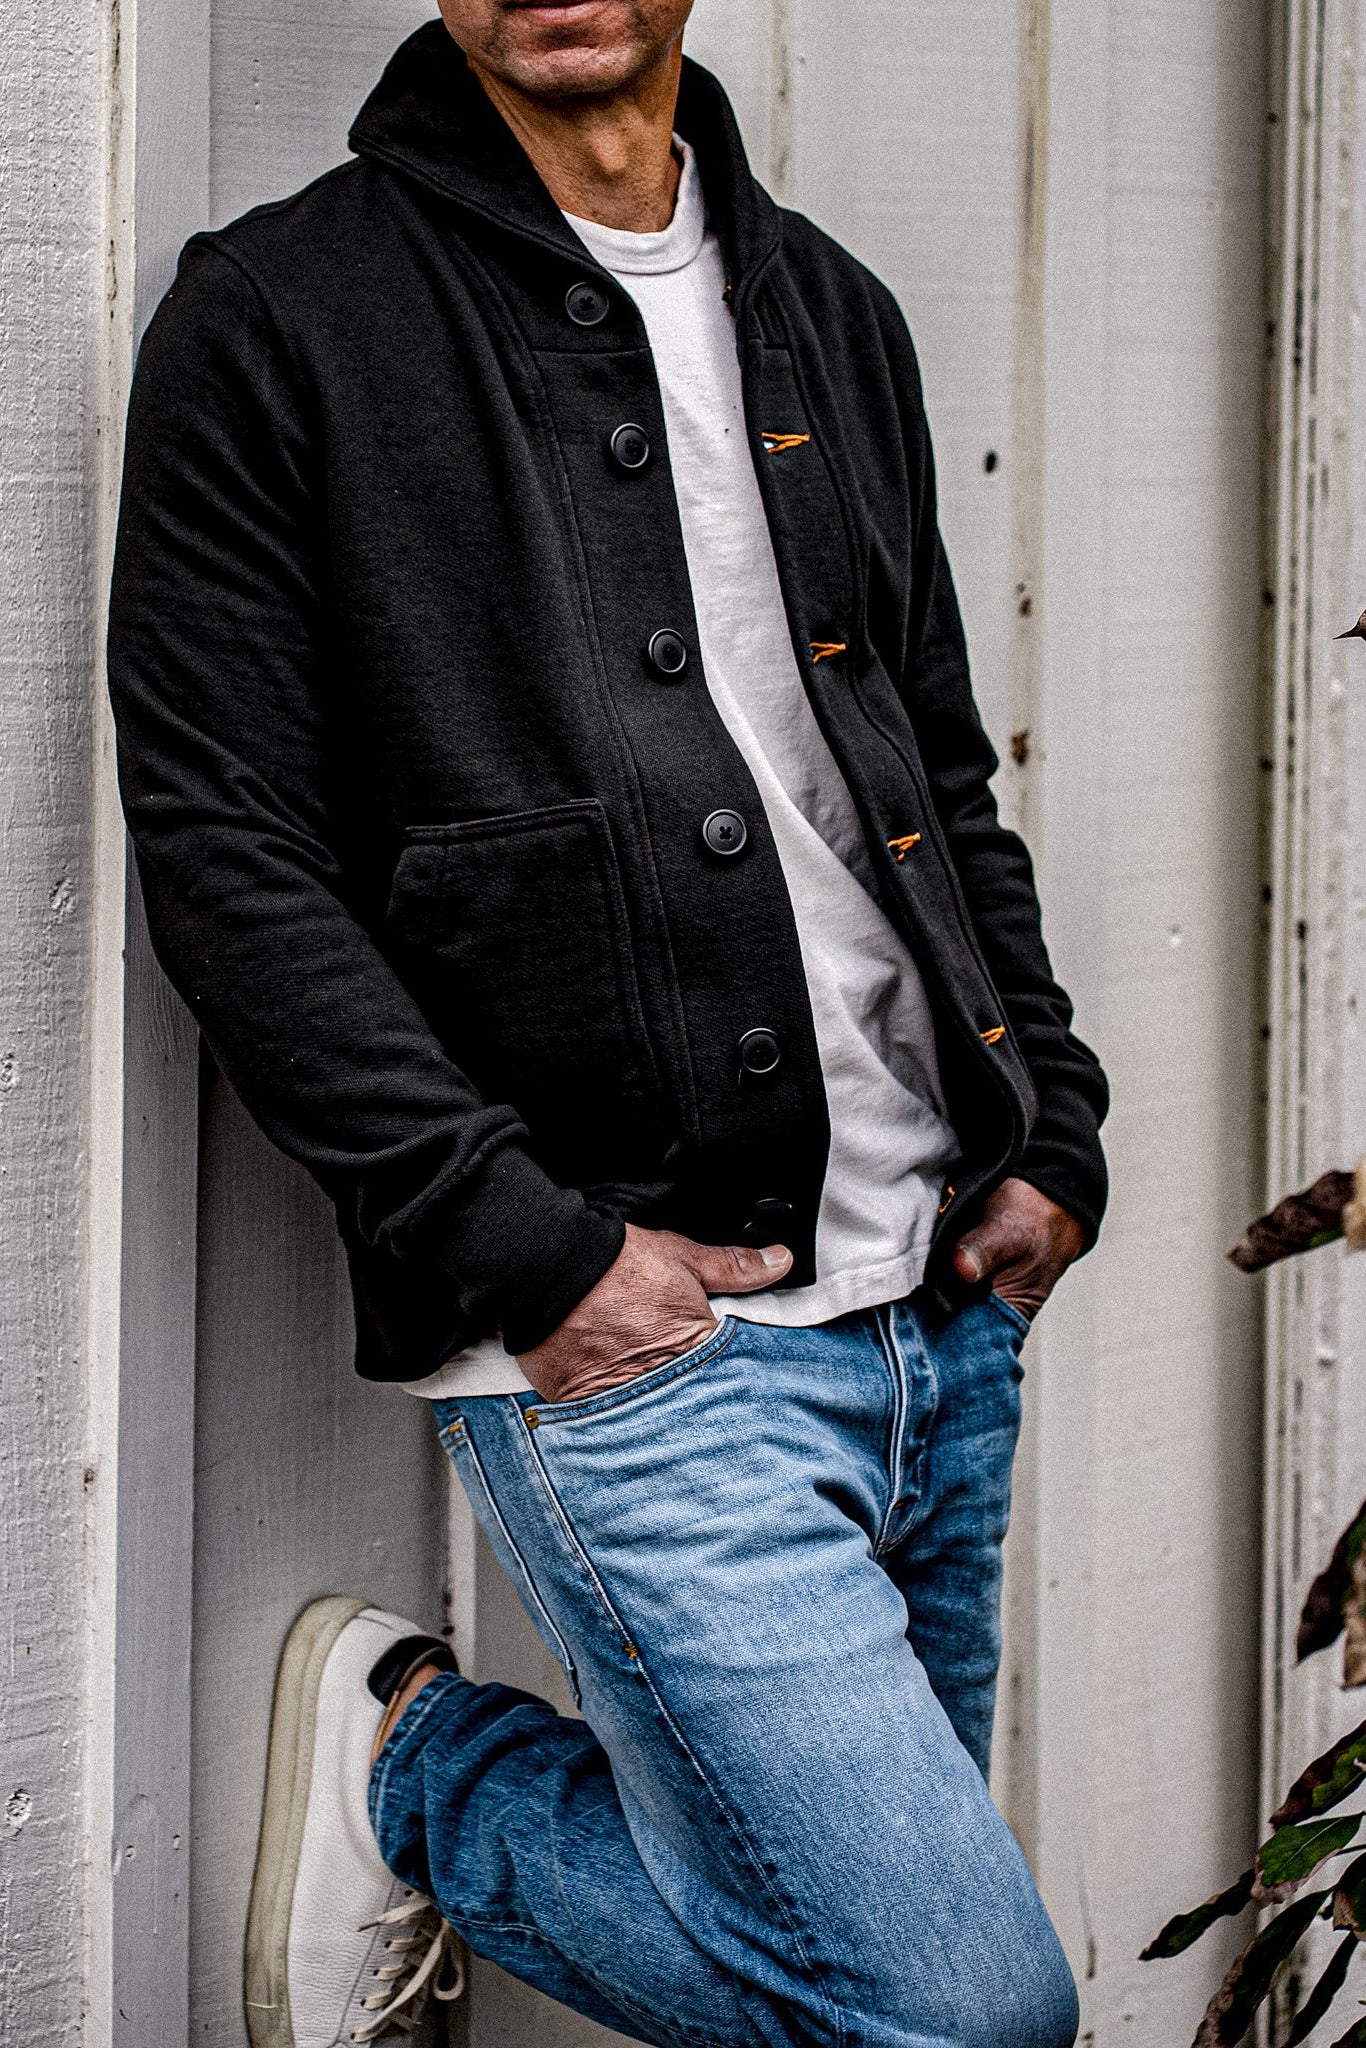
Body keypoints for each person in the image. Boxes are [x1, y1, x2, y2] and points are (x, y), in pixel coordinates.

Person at [107, 1, 1107, 2042]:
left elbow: (919, 758)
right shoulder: (283, 318)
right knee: (961, 2013)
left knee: (858, 1997)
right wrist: (522, 1246)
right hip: (647, 1345)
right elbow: (225, 848)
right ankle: (426, 1771)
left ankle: (416, 1778)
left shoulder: (825, 307)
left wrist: (1046, 1124)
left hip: (939, 1302)